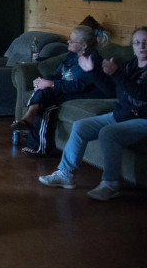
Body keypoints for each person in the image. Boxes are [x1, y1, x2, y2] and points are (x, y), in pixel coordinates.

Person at [38, 26, 147, 201]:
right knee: (81, 126)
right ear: (133, 46)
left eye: (145, 43)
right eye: (137, 43)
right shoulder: (131, 66)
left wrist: (116, 74)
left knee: (108, 133)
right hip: (123, 115)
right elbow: (111, 89)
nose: (141, 46)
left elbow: (141, 94)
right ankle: (65, 174)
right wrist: (92, 71)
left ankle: (110, 184)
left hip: (143, 119)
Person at [12, 25, 109, 155]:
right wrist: (43, 81)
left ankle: (39, 145)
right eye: (69, 38)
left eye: (72, 41)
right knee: (44, 91)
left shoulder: (91, 59)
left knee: (47, 104)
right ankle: (30, 116)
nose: (68, 41)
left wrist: (50, 84)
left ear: (84, 45)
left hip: (84, 93)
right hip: (67, 88)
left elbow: (78, 86)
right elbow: (58, 74)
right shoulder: (71, 55)